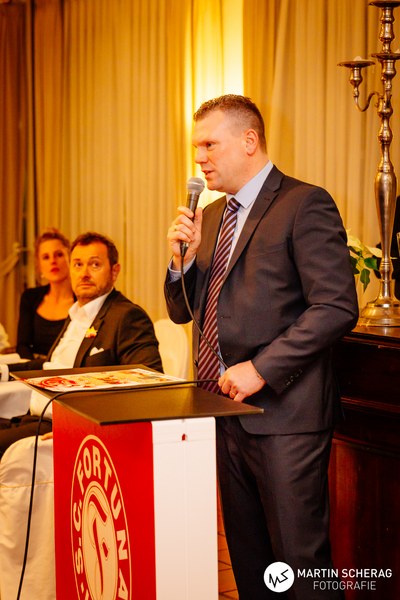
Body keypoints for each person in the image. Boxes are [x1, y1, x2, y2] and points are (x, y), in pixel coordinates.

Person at [164, 95, 358, 599]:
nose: (199, 158)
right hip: (224, 412)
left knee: (299, 566)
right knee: (252, 565)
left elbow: (336, 307)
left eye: (209, 145)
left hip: (285, 416)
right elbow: (183, 311)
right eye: (196, 147)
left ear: (249, 141)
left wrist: (262, 368)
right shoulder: (210, 215)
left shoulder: (304, 203)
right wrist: (181, 262)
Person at [0, 231, 162, 454]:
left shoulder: (126, 317)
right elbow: (49, 367)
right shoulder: (77, 315)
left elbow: (151, 386)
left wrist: (82, 428)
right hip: (32, 416)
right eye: (77, 265)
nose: (84, 273)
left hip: (62, 426)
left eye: (95, 265)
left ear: (114, 271)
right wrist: (4, 371)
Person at [17, 228, 74, 359]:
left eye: (59, 254)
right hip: (34, 368)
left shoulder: (83, 301)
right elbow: (22, 346)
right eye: (46, 257)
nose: (52, 261)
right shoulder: (29, 298)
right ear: (39, 265)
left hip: (69, 368)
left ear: (70, 259)